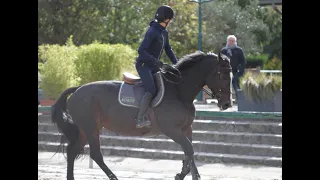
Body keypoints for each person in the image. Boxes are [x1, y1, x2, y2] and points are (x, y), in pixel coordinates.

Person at [135, 5, 178, 128]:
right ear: (167, 20)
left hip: (153, 65)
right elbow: (141, 51)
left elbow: (168, 49)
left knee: (165, 84)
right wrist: (155, 61)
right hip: (144, 65)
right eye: (170, 19)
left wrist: (177, 64)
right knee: (152, 90)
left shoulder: (164, 32)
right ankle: (140, 119)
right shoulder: (152, 31)